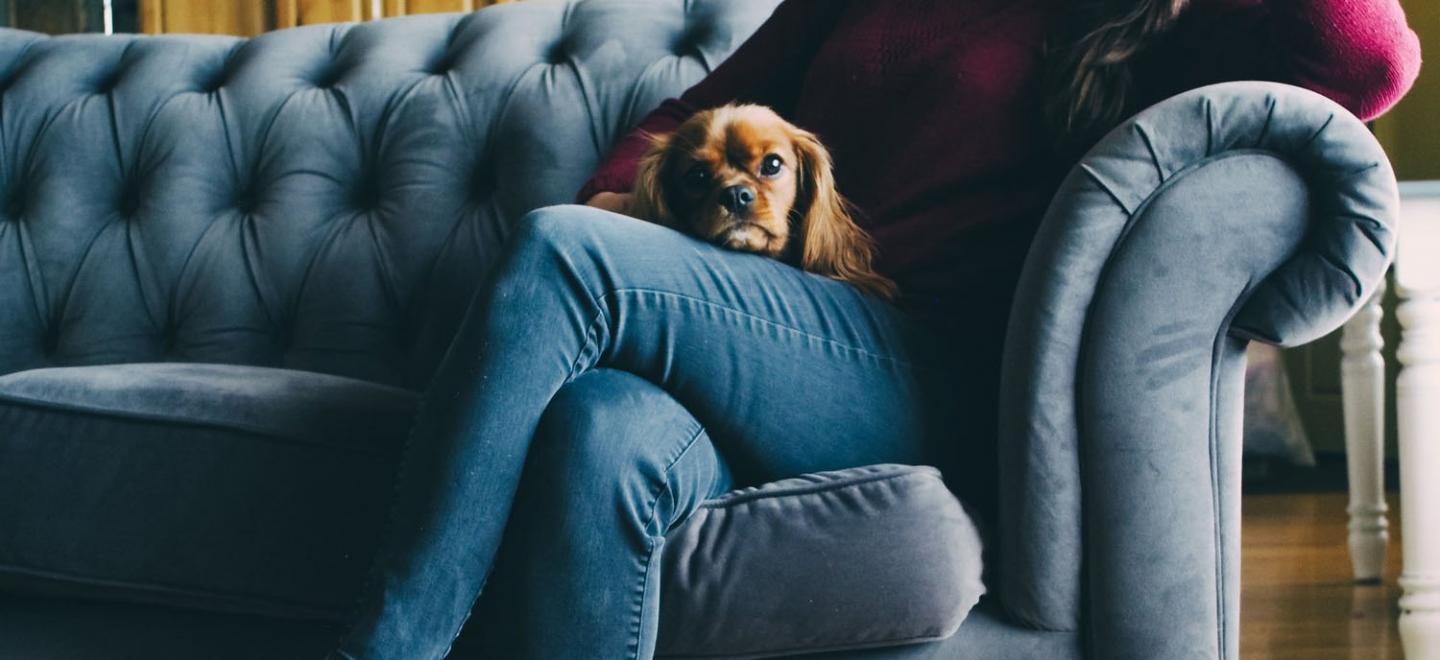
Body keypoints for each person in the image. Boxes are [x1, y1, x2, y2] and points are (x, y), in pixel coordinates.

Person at [332, 1, 1420, 658]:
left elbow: (1368, 53)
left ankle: (386, 649)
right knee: (600, 428)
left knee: (561, 252)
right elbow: (676, 120)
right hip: (762, 327)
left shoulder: (1137, 19)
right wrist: (661, 223)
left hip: (920, 364)